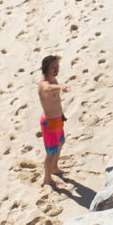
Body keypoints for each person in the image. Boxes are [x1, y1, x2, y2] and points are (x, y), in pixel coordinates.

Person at [35, 54, 66, 184]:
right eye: (54, 67)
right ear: (46, 68)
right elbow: (47, 89)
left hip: (58, 119)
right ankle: (47, 179)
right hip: (49, 123)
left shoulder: (53, 79)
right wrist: (60, 87)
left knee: (61, 143)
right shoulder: (43, 84)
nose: (56, 69)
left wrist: (62, 114)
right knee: (51, 152)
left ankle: (54, 168)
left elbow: (56, 101)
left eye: (57, 66)